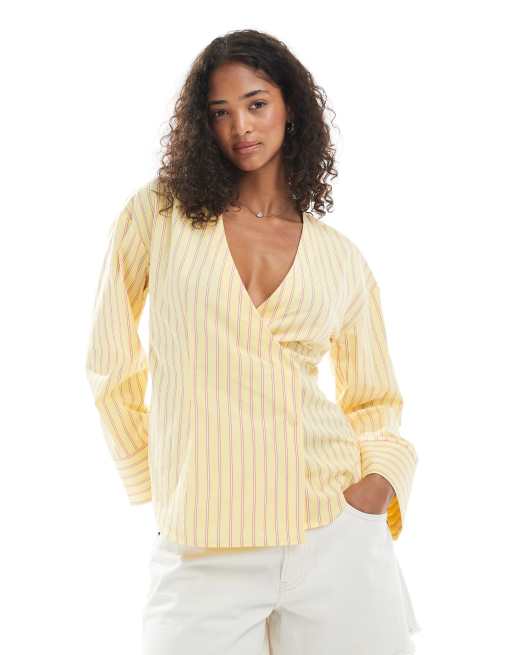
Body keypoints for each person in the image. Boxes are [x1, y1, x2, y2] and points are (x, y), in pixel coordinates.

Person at [85, 28, 421, 655]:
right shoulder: (159, 215)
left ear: (291, 108)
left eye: (256, 103)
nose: (240, 125)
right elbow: (109, 358)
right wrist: (158, 471)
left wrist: (375, 487)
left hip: (332, 532)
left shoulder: (341, 258)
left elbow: (375, 400)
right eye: (220, 112)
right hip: (203, 541)